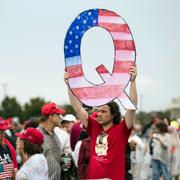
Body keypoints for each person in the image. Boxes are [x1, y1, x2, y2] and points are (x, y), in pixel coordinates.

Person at [64, 65, 137, 180]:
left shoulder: (122, 129)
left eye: (104, 111)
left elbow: (131, 109)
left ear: (113, 114)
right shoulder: (94, 127)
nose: (99, 114)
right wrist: (69, 85)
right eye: (98, 111)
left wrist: (133, 82)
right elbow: (78, 109)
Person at [38, 102, 65, 180]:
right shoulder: (37, 135)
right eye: (58, 115)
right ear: (50, 117)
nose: (60, 117)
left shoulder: (54, 134)